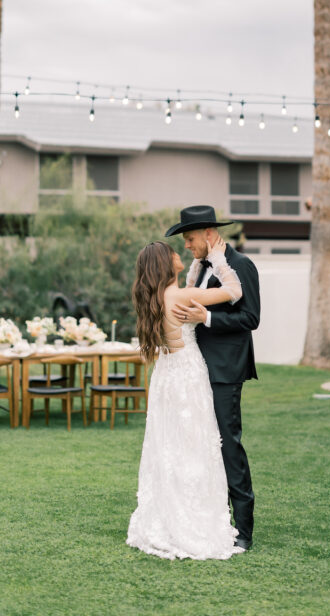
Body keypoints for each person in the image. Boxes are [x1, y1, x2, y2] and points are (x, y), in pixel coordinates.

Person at [126, 236, 244, 560]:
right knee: (193, 447)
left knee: (169, 448)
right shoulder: (183, 296)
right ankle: (193, 521)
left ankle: (167, 516)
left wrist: (195, 267)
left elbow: (187, 286)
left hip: (165, 377)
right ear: (166, 265)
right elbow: (234, 291)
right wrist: (218, 260)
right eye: (173, 253)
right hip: (188, 375)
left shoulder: (156, 298)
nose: (180, 253)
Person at [168, 204, 260, 551]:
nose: (187, 246)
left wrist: (207, 318)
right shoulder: (199, 270)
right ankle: (210, 518)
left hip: (224, 370)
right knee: (203, 445)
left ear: (209, 234)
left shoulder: (241, 266)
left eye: (190, 239)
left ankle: (244, 529)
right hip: (195, 369)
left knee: (227, 443)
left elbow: (251, 318)